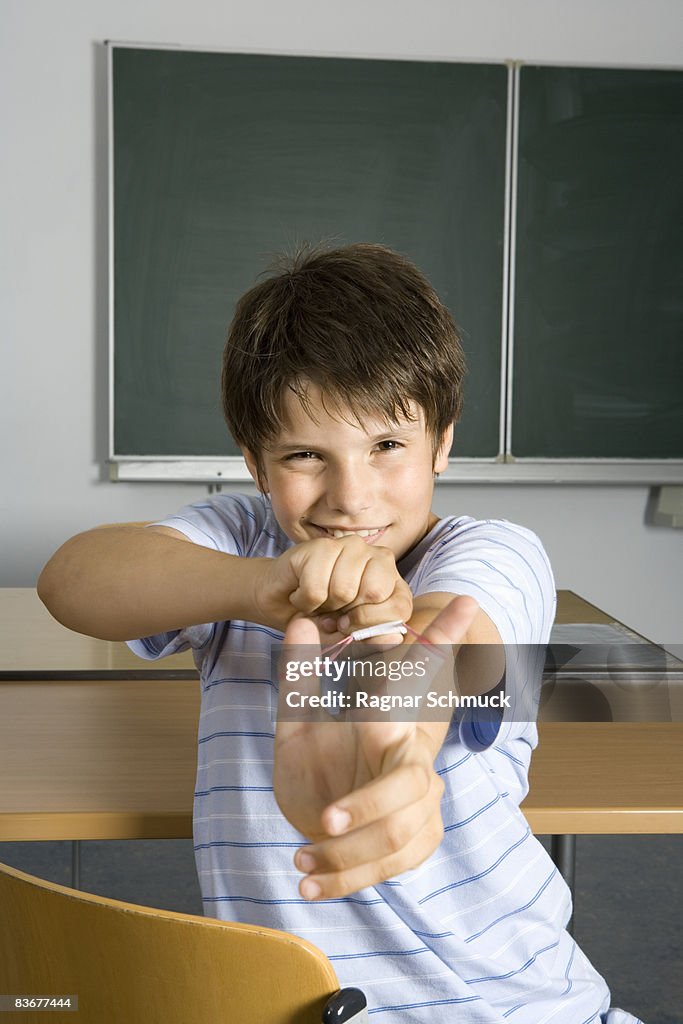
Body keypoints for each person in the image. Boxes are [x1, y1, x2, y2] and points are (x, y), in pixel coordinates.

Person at [38, 244, 641, 1023]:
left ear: (442, 444)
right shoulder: (243, 540)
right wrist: (266, 589)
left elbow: (445, 648)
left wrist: (399, 739)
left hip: (504, 1007)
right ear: (254, 464)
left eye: (387, 446)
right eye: (304, 456)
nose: (351, 496)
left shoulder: (493, 550)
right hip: (287, 1005)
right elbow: (72, 581)